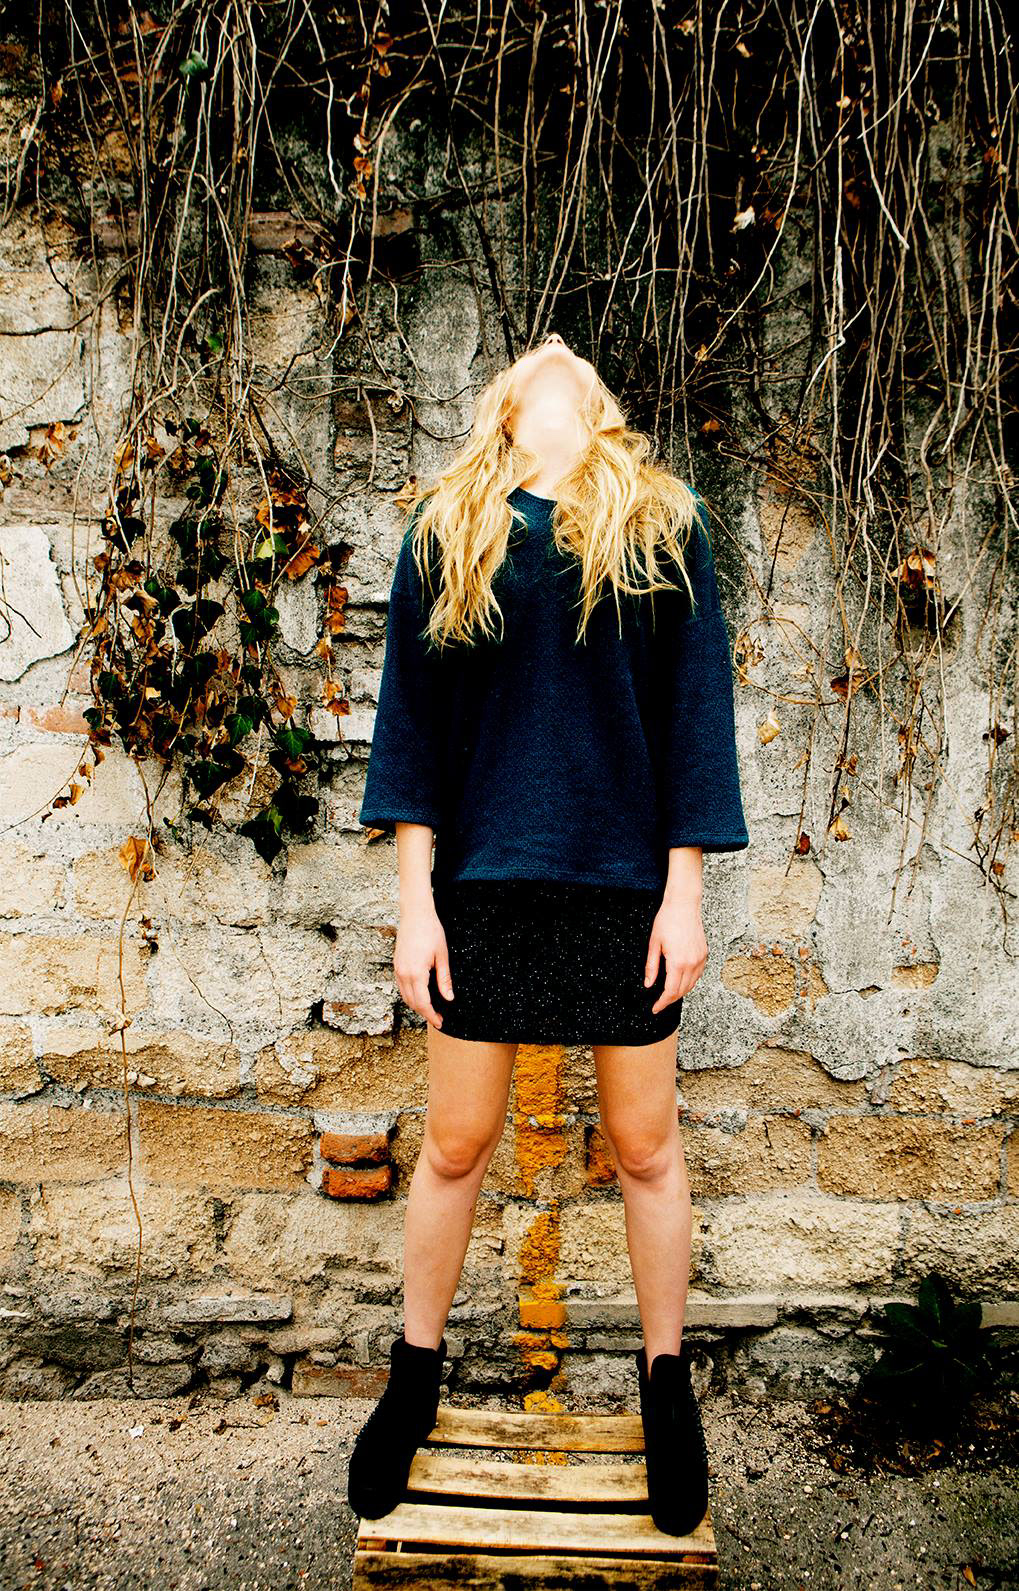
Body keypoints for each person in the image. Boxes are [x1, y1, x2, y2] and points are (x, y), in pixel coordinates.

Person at [346, 333, 749, 1536]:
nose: (556, 346)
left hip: (622, 887)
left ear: (600, 407)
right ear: (504, 407)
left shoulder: (663, 522)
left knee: (645, 1147)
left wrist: (684, 894)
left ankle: (665, 1392)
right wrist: (415, 901)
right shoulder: (446, 528)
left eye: (573, 356)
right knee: (454, 1143)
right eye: (533, 353)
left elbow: (691, 715)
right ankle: (411, 1380)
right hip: (479, 885)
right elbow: (409, 729)